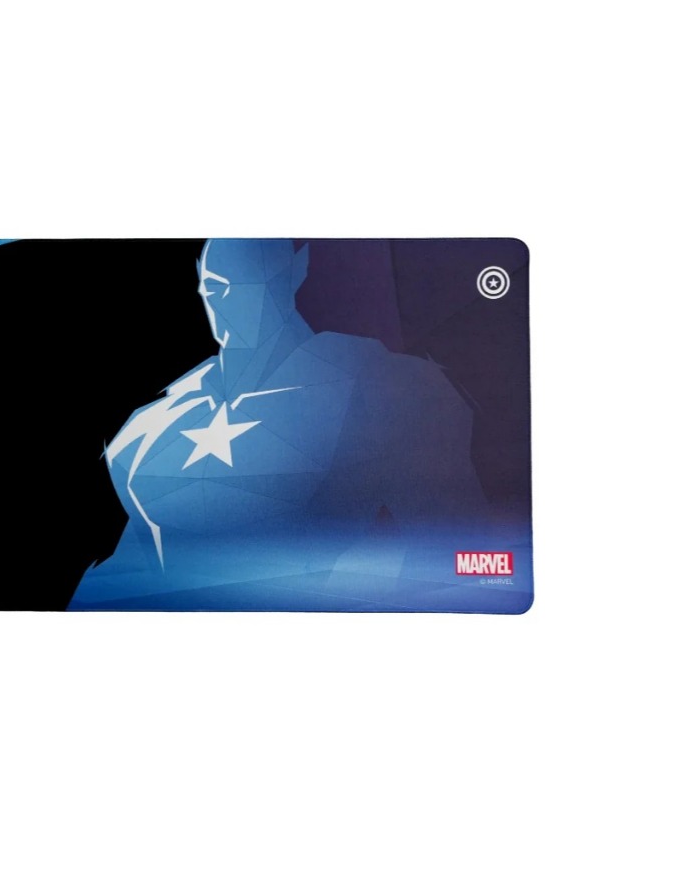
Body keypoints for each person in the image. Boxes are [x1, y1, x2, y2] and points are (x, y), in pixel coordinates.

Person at [69, 238, 487, 610]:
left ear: (297, 269)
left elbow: (460, 550)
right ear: (201, 284)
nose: (230, 300)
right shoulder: (156, 421)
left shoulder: (379, 385)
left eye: (251, 280)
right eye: (216, 285)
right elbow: (133, 563)